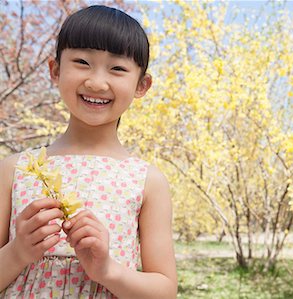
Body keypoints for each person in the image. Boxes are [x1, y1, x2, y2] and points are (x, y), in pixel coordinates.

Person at [0, 5, 177, 298]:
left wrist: (107, 270)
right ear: (55, 71)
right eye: (82, 62)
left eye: (117, 68)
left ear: (142, 85)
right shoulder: (14, 170)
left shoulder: (148, 181)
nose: (96, 82)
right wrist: (17, 252)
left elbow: (164, 290)